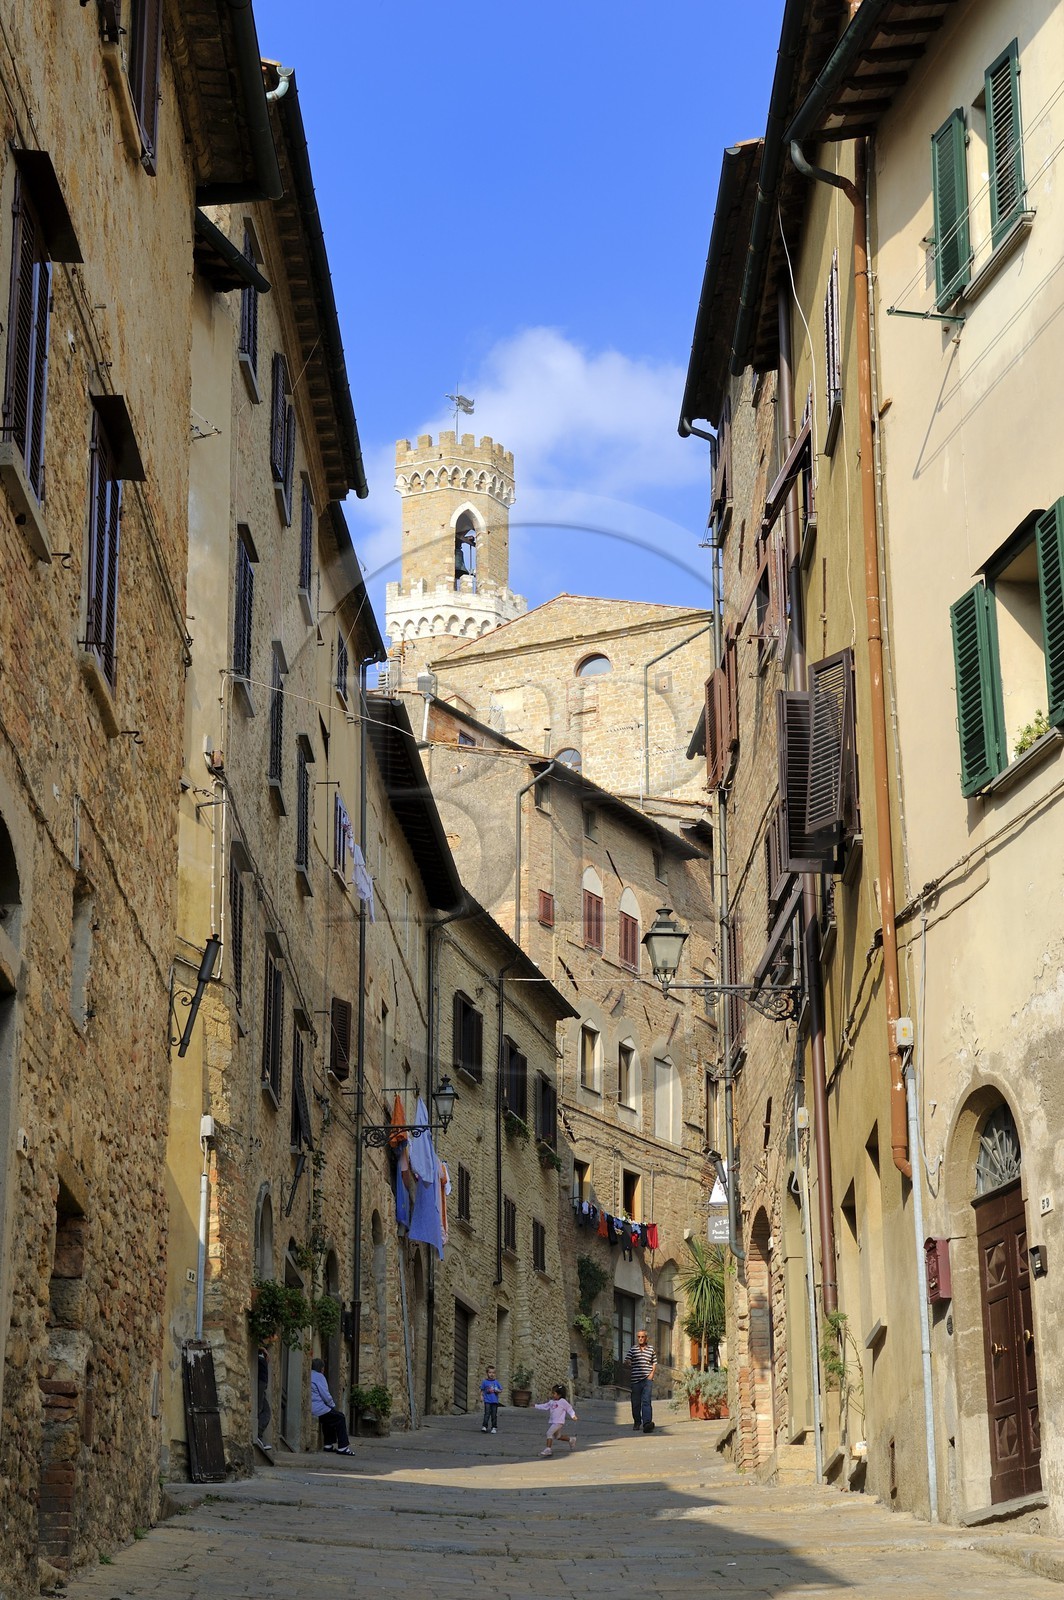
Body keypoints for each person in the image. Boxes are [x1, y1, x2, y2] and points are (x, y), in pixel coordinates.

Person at [310, 1358, 354, 1455]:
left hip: (312, 1407)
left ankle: (328, 1445)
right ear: (322, 1368)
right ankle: (343, 1447)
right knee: (340, 1417)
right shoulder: (319, 1377)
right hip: (318, 1408)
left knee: (329, 1418)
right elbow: (325, 1395)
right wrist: (332, 1405)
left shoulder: (310, 1374)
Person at [535, 1383, 578, 1456]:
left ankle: (548, 1449)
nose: (552, 1395)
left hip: (559, 1422)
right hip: (553, 1422)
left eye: (554, 1393)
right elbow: (545, 1406)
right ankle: (571, 1440)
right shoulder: (551, 1402)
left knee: (549, 1433)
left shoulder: (563, 1402)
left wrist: (573, 1415)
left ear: (559, 1395)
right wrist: (536, 1406)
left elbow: (569, 1408)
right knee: (558, 1437)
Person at [628, 1327, 657, 1433]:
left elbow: (654, 1362)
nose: (640, 1339)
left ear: (646, 1338)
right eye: (639, 1337)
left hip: (647, 1379)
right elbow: (627, 1360)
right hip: (635, 1380)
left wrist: (652, 1374)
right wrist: (628, 1362)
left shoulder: (651, 1349)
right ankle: (637, 1422)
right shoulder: (633, 1349)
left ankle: (647, 1423)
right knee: (635, 1402)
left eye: (642, 1337)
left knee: (646, 1401)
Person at [254, 1345, 273, 1452]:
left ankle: (258, 1435)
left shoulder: (262, 1352)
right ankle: (257, 1435)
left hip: (262, 1382)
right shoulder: (260, 1349)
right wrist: (261, 1348)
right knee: (261, 1408)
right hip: (260, 1381)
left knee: (266, 1411)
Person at [479, 1364, 502, 1433]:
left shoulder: (496, 1382)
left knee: (494, 1414)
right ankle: (484, 1426)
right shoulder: (485, 1382)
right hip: (487, 1400)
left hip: (494, 1401)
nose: (491, 1374)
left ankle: (494, 1427)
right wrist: (481, 1396)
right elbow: (482, 1390)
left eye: (493, 1373)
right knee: (487, 1413)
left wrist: (497, 1390)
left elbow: (500, 1390)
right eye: (490, 1372)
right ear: (487, 1373)